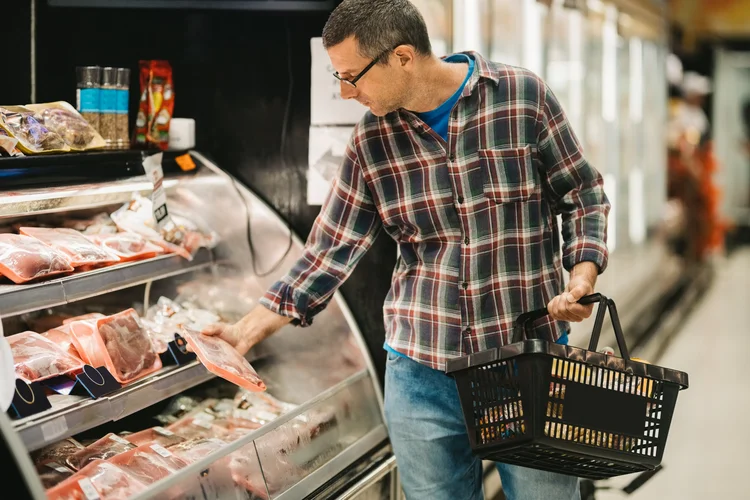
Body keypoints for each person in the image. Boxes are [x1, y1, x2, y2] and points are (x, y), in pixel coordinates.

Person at [202, 1, 610, 498]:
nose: (343, 91)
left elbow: (582, 193)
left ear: (401, 57)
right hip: (422, 376)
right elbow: (329, 251)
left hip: (525, 360)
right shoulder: (371, 142)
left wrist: (581, 276)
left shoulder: (522, 98)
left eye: (352, 76)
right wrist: (244, 331)